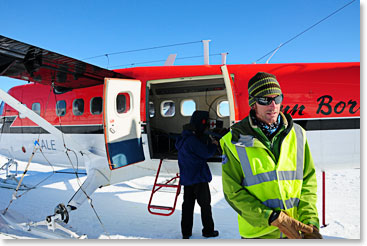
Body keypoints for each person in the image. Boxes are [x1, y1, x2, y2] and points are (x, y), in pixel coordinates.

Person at [220, 72, 322, 239]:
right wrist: (271, 217)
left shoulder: (298, 135)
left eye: (277, 98)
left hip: (295, 231)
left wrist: (310, 221)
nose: (273, 105)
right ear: (253, 104)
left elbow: (308, 183)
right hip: (259, 234)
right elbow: (233, 192)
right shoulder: (234, 141)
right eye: (265, 100)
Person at [175, 110, 219, 239]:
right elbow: (206, 153)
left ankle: (186, 232)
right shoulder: (192, 141)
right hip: (198, 178)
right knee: (205, 206)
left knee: (187, 207)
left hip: (187, 179)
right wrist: (213, 145)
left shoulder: (182, 139)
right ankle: (208, 231)